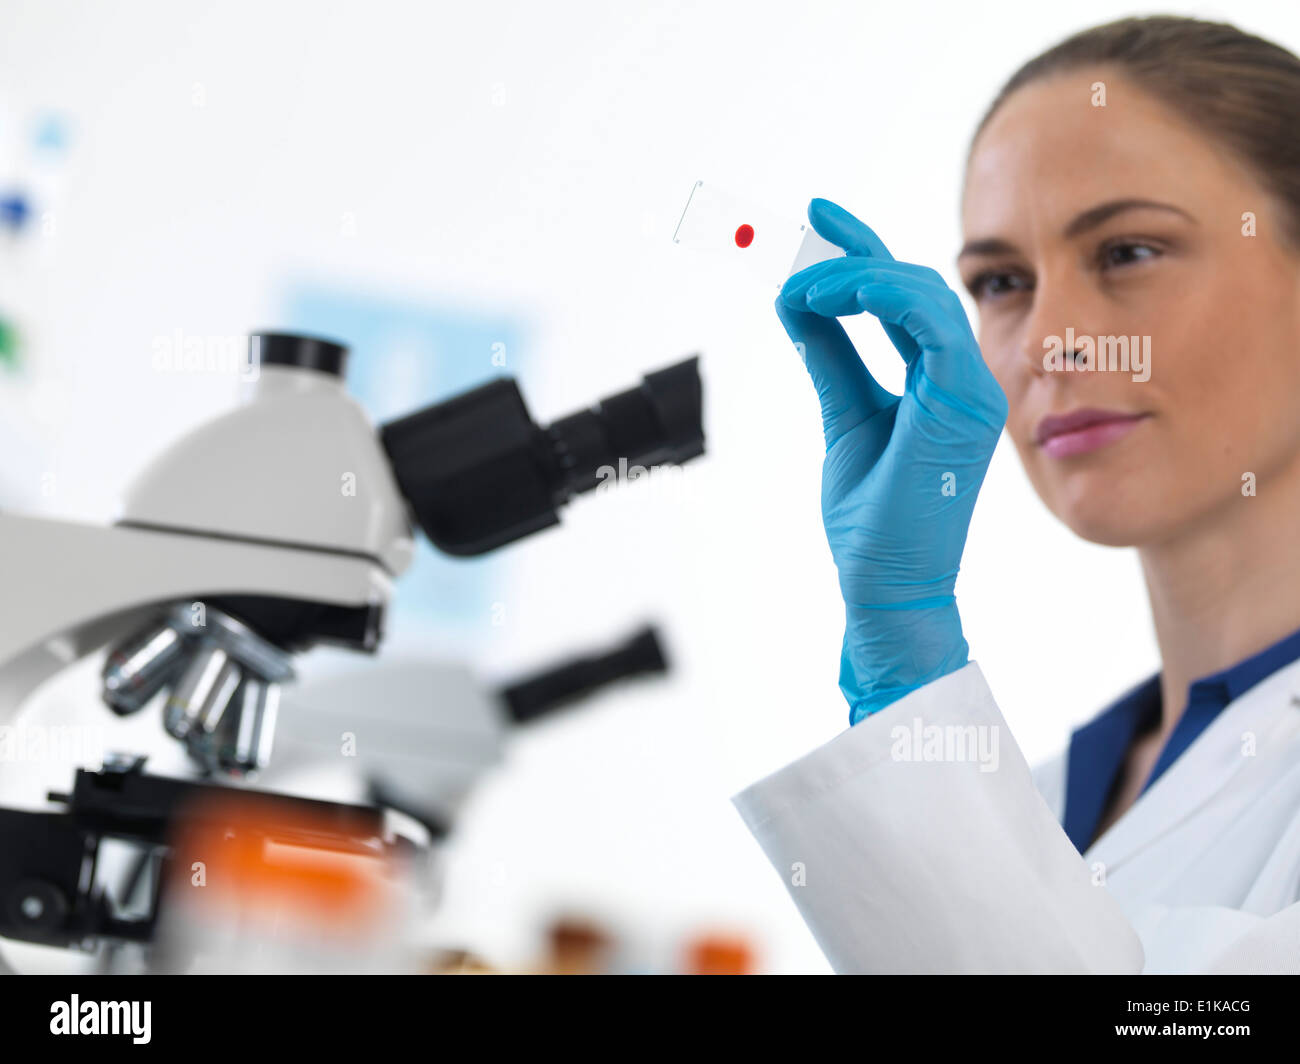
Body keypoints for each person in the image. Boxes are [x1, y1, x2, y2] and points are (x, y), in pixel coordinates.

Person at [733, 14, 1300, 973]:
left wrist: (913, 680)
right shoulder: (1032, 798)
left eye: (1127, 252)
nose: (1048, 342)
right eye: (1000, 281)